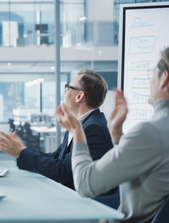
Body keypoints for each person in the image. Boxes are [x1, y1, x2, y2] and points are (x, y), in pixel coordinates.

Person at [55, 47, 169, 222]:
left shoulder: (150, 132)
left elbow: (85, 184)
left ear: (164, 79)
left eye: (152, 74)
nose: (150, 81)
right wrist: (117, 136)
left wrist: (77, 131)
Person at [0, 70, 113, 190]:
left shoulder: (93, 128)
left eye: (68, 87)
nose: (64, 92)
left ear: (79, 96)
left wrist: (21, 152)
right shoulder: (79, 124)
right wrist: (22, 151)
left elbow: (65, 172)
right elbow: (57, 158)